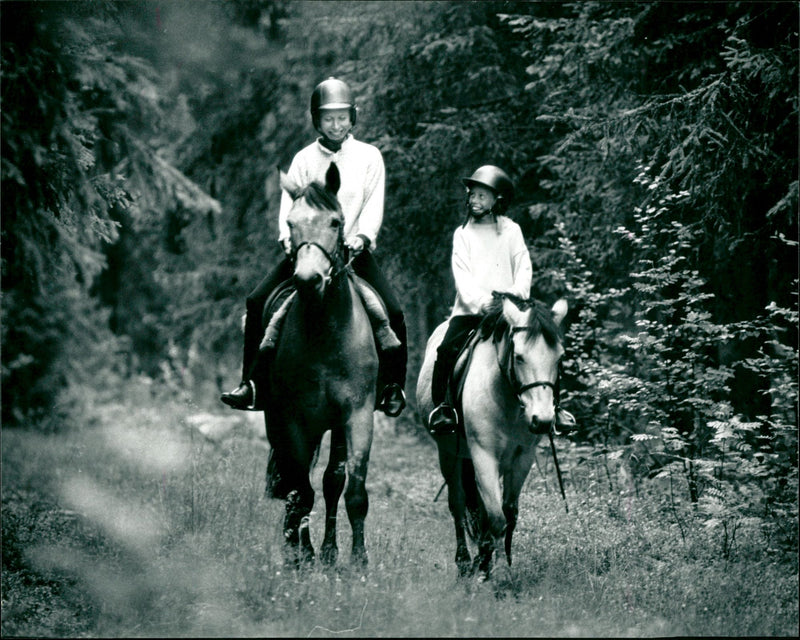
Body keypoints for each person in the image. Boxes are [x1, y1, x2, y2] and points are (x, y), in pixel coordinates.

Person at [221, 77, 407, 417]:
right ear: (317, 121)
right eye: (328, 118)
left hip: (352, 252)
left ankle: (392, 387)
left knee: (393, 312)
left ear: (353, 117)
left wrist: (362, 237)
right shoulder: (304, 159)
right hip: (308, 252)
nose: (336, 124)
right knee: (257, 300)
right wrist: (289, 241)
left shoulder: (370, 157)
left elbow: (372, 206)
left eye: (342, 117)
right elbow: (288, 208)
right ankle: (252, 384)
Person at [428, 165, 574, 434]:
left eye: (483, 196)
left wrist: (516, 297)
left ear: (498, 200)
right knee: (446, 350)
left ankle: (556, 408)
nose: (475, 200)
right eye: (473, 194)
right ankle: (444, 407)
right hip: (473, 310)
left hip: (511, 310)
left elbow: (523, 266)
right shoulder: (463, 234)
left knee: (543, 346)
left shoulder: (511, 230)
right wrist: (482, 303)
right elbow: (462, 276)